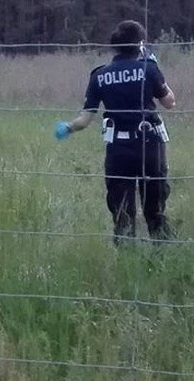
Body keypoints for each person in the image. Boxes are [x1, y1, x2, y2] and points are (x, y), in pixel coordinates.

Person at [55, 20, 176, 243]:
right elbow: (169, 102)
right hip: (150, 145)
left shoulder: (99, 75)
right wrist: (159, 74)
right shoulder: (149, 69)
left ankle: (126, 257)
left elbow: (84, 120)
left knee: (122, 213)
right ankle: (162, 254)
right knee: (155, 209)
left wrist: (68, 128)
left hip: (119, 149)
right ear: (140, 44)